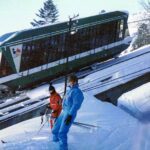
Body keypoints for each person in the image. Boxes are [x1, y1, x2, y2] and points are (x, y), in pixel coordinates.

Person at [52, 74, 84, 150]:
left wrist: (70, 115)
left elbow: (76, 105)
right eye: (70, 81)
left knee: (62, 132)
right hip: (64, 112)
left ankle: (63, 148)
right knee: (55, 129)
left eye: (73, 81)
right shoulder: (69, 90)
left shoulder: (77, 92)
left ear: (76, 82)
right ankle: (54, 145)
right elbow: (65, 102)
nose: (71, 83)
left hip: (70, 113)